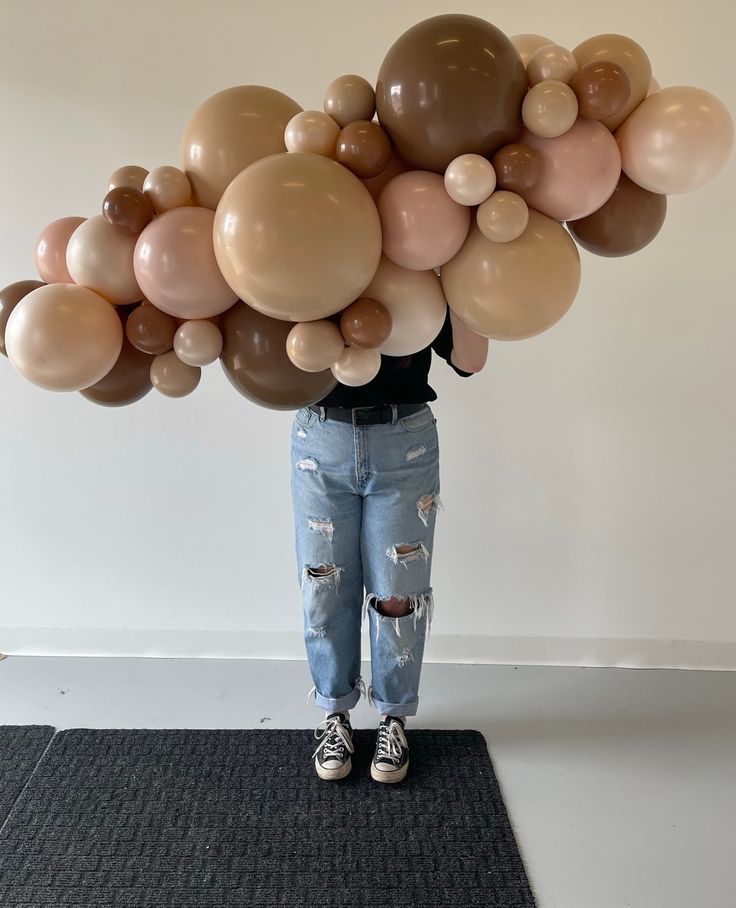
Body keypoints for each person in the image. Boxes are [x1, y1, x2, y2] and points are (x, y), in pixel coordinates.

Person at [290, 302, 489, 783]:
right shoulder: (318, 265)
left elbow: (470, 359)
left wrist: (463, 282)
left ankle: (392, 718)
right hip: (321, 438)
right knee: (324, 587)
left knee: (399, 593)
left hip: (405, 442)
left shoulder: (418, 274)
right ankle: (334, 715)